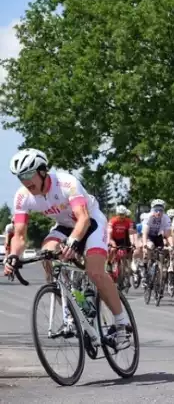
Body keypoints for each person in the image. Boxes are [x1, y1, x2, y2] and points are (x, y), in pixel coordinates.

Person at [3, 148, 131, 348]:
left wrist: (73, 242)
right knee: (47, 254)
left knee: (95, 271)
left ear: (43, 171)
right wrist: (12, 255)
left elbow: (83, 218)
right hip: (63, 226)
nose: (25, 181)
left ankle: (122, 324)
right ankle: (72, 307)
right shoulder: (22, 196)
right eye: (20, 177)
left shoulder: (66, 183)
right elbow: (19, 235)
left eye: (28, 174)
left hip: (91, 223)